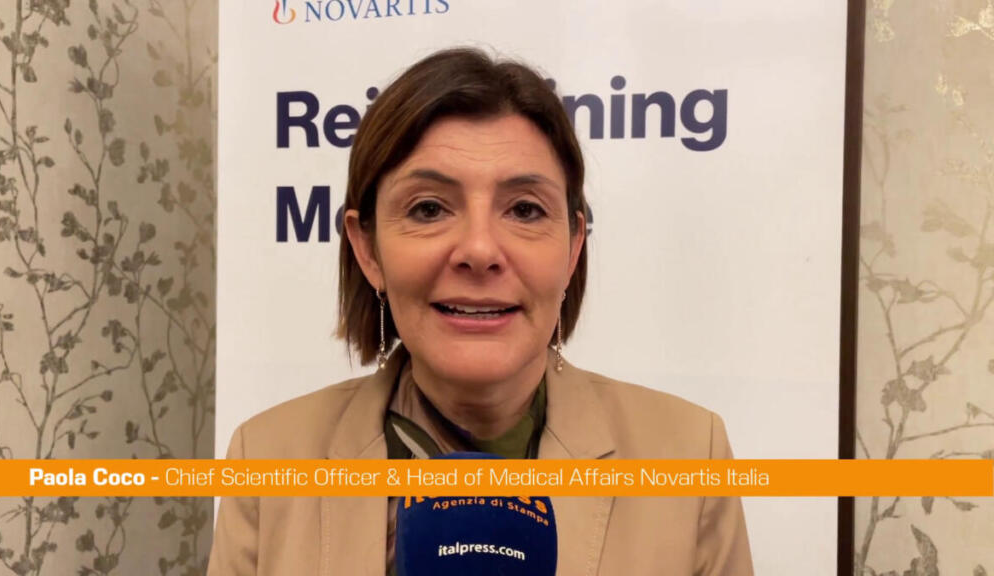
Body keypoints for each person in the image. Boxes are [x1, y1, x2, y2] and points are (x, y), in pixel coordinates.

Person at [208, 47, 753, 576]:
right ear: (367, 249)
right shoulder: (265, 460)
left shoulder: (692, 457)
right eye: (428, 208)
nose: (479, 250)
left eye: (525, 210)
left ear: (572, 249)